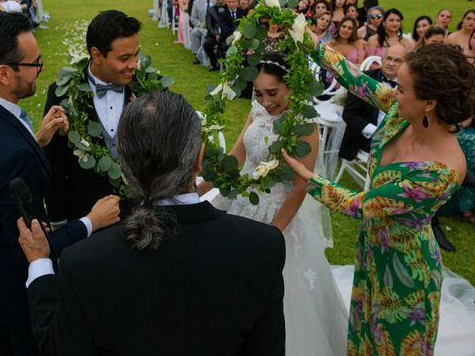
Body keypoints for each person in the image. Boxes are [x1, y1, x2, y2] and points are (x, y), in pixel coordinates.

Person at [19, 91, 287, 356]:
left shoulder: (83, 264)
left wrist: (40, 265)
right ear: (198, 159)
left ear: (125, 168)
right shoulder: (263, 246)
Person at [283, 42, 475, 355]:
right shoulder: (402, 111)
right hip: (373, 248)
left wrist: (305, 177)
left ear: (429, 102)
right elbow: (356, 79)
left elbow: (359, 205)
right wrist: (305, 37)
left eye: (401, 88)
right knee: (364, 336)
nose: (392, 92)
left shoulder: (441, 172)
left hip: (405, 271)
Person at [0, 11, 120, 356]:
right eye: (35, 64)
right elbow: (33, 246)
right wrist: (92, 221)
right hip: (8, 283)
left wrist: (36, 139)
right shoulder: (12, 157)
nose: (41, 70)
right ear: (4, 73)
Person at [198, 52, 347, 356]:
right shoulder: (257, 110)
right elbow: (237, 156)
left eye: (272, 93)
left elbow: (300, 185)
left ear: (290, 87)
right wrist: (199, 188)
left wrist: (273, 233)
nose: (265, 101)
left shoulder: (304, 124)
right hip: (243, 205)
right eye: (258, 93)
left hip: (280, 217)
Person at [43, 10, 140, 225]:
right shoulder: (63, 94)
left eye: (136, 55)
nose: (134, 64)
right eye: (125, 58)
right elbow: (54, 163)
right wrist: (59, 222)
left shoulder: (144, 90)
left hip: (140, 217)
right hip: (85, 219)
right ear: (96, 55)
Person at [339, 44, 406, 162]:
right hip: (366, 138)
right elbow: (349, 114)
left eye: (397, 60)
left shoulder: (408, 85)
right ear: (382, 59)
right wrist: (376, 133)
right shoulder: (363, 79)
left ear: (405, 65)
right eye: (389, 58)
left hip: (398, 139)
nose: (391, 63)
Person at [204, 0, 242, 71]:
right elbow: (209, 25)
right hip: (219, 33)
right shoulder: (211, 9)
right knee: (207, 44)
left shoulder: (233, 8)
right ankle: (215, 64)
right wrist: (216, 34)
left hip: (232, 33)